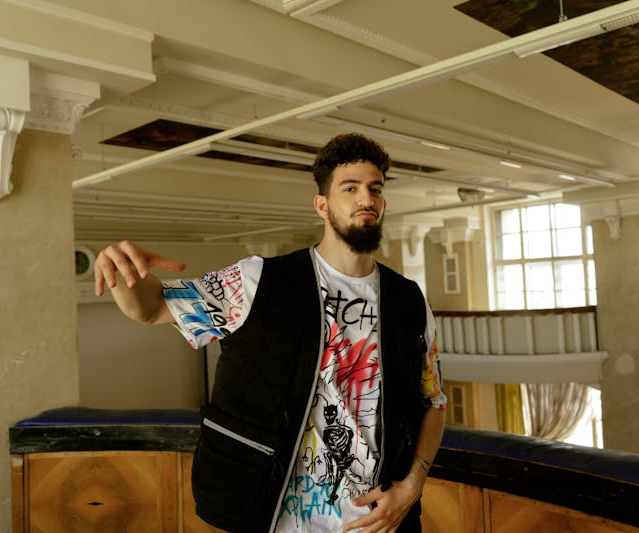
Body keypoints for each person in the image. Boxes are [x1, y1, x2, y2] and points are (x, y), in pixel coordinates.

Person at [94, 132, 447, 532]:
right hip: (280, 520)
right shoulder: (259, 281)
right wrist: (121, 271)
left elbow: (432, 401)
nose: (365, 199)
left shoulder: (409, 300)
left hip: (380, 521)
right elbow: (152, 308)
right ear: (322, 205)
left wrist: (413, 486)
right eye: (350, 188)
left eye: (375, 189)